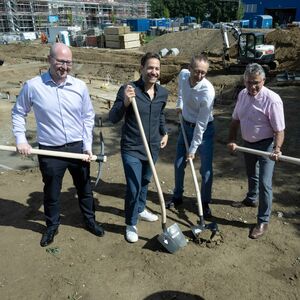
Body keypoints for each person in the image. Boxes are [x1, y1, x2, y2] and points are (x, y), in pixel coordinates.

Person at [12, 43, 104, 247]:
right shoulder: (33, 86)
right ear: (49, 60)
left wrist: (87, 145)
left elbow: (88, 117)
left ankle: (90, 221)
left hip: (78, 148)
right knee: (52, 192)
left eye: (68, 62)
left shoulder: (79, 87)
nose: (64, 66)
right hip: (49, 150)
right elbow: (19, 113)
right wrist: (21, 139)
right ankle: (52, 226)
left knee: (85, 189)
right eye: (60, 61)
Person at [109, 52, 168, 243]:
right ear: (141, 68)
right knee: (133, 187)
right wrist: (125, 102)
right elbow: (113, 117)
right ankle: (131, 223)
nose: (154, 72)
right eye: (150, 67)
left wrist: (164, 132)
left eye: (157, 68)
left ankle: (141, 208)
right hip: (132, 147)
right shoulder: (129, 89)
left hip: (152, 148)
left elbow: (160, 115)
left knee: (144, 183)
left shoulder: (162, 93)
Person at [227, 63, 285, 239]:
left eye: (257, 83)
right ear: (244, 81)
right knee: (251, 173)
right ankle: (251, 199)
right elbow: (235, 120)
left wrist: (277, 148)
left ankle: (263, 221)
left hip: (266, 145)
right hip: (247, 143)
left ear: (264, 81)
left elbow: (279, 130)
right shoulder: (243, 95)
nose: (252, 87)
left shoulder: (272, 99)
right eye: (249, 82)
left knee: (265, 183)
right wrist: (231, 139)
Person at [167, 54, 215, 219]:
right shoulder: (183, 75)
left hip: (205, 131)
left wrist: (193, 149)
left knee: (205, 170)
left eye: (203, 73)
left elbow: (201, 125)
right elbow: (181, 91)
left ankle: (205, 202)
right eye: (197, 71)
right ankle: (177, 196)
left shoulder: (207, 92)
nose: (199, 76)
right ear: (190, 68)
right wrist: (180, 104)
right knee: (179, 164)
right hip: (185, 126)